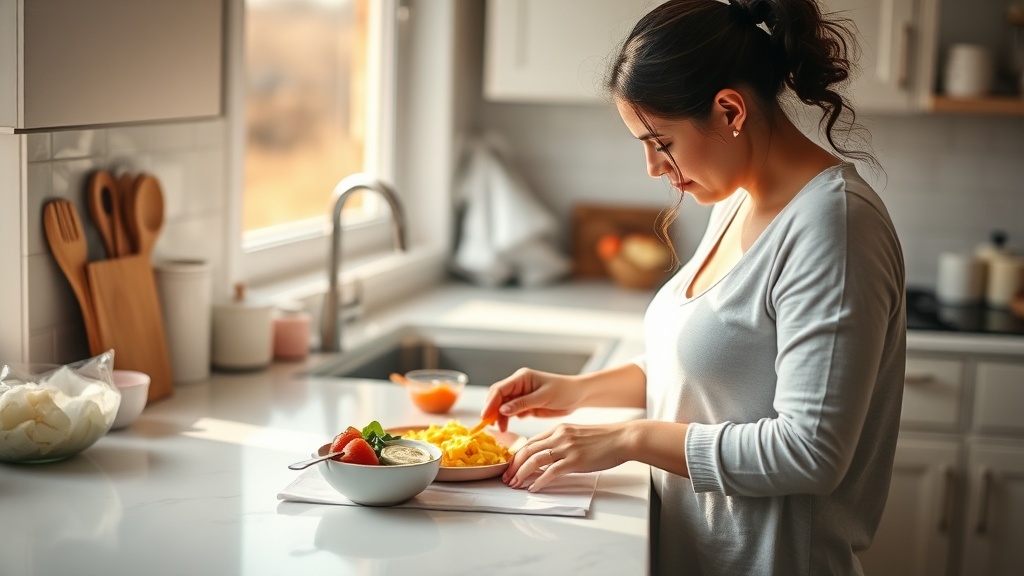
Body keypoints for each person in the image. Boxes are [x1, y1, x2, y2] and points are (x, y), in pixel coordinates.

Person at [478, 0, 907, 574]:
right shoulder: (735, 199)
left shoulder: (835, 226)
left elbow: (809, 453)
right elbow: (711, 373)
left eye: (663, 142)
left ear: (730, 110)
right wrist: (577, 390)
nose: (654, 168)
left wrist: (629, 438)